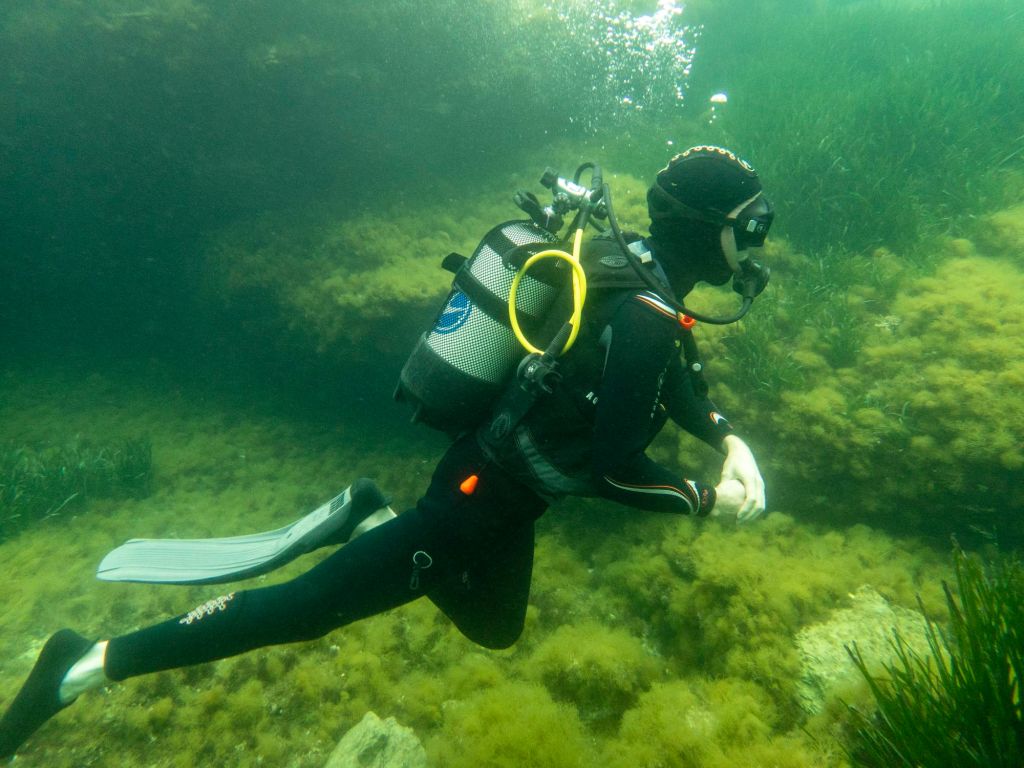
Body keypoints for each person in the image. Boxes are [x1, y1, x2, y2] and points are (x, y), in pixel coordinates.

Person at [0, 144, 772, 760]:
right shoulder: (645, 312)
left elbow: (674, 382)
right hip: (471, 501)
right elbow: (614, 470)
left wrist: (729, 439)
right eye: (751, 224)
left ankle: (368, 517)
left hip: (503, 498)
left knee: (497, 626)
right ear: (707, 227)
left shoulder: (633, 272)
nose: (757, 244)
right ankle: (82, 664)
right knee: (300, 610)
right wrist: (706, 500)